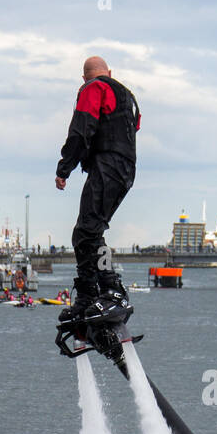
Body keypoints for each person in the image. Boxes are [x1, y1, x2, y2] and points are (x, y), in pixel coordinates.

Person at [55, 55, 140, 323]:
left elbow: (82, 129)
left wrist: (64, 168)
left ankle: (108, 290)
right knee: (89, 231)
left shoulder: (94, 88)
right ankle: (91, 294)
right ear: (110, 72)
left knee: (86, 231)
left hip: (109, 166)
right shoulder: (128, 96)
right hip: (126, 169)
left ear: (84, 77)